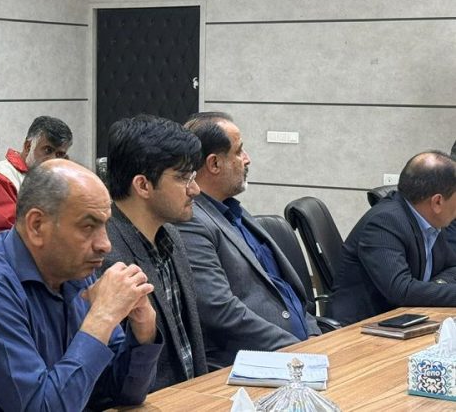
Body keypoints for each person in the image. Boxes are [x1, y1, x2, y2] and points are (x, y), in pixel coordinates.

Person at [0, 160, 161, 411]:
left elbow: (120, 393)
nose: (105, 244)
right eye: (88, 226)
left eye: (104, 225)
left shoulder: (75, 271)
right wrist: (103, 317)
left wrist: (143, 333)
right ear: (36, 225)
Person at [176, 112, 319, 368]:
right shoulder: (192, 222)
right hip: (252, 363)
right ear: (214, 163)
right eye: (239, 151)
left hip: (302, 351)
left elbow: (287, 291)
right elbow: (219, 309)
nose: (247, 158)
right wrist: (296, 350)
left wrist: (315, 337)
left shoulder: (234, 211)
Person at [103, 115, 208, 389]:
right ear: (143, 185)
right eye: (183, 178)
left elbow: (189, 347)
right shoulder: (106, 257)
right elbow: (115, 379)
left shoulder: (170, 235)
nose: (195, 189)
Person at [330, 151, 456, 325]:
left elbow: (451, 267)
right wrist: (432, 290)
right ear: (437, 202)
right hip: (362, 328)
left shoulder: (430, 219)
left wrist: (434, 286)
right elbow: (400, 290)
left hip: (406, 319)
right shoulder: (384, 222)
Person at [0, 115, 73, 243]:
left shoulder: (54, 181)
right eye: (48, 150)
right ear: (28, 146)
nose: (53, 160)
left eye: (60, 154)